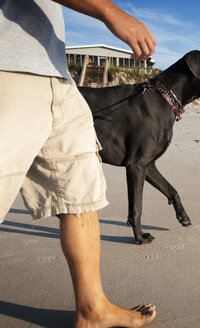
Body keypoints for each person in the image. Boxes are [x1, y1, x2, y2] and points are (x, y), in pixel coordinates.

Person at [0, 0, 157, 326]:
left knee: (80, 190)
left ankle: (92, 309)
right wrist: (111, 12)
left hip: (56, 75)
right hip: (7, 70)